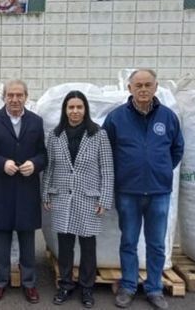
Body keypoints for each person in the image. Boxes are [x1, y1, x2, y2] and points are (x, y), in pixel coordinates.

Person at [102, 69, 184, 310]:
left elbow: (177, 149)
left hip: (159, 192)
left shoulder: (168, 117)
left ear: (155, 87)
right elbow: (106, 152)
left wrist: (162, 170)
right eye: (138, 85)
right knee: (128, 240)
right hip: (128, 191)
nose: (143, 89)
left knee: (156, 243)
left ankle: (154, 288)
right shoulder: (116, 118)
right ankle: (128, 286)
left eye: (148, 84)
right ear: (129, 89)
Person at [0, 79, 47, 304]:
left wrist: (34, 164)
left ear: (26, 96)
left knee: (27, 239)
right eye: (10, 95)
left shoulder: (36, 122)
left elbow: (43, 155)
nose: (15, 99)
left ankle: (29, 283)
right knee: (2, 238)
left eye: (19, 95)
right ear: (4, 97)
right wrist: (1, 163)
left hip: (27, 189)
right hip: (2, 190)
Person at [41, 90, 114, 308]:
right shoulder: (55, 136)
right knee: (65, 245)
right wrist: (46, 193)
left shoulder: (98, 134)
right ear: (65, 110)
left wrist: (105, 198)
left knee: (88, 245)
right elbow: (50, 167)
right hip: (63, 197)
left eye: (79, 107)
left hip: (88, 198)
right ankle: (65, 285)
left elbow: (107, 169)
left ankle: (87, 288)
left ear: (85, 110)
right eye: (71, 107)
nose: (75, 111)